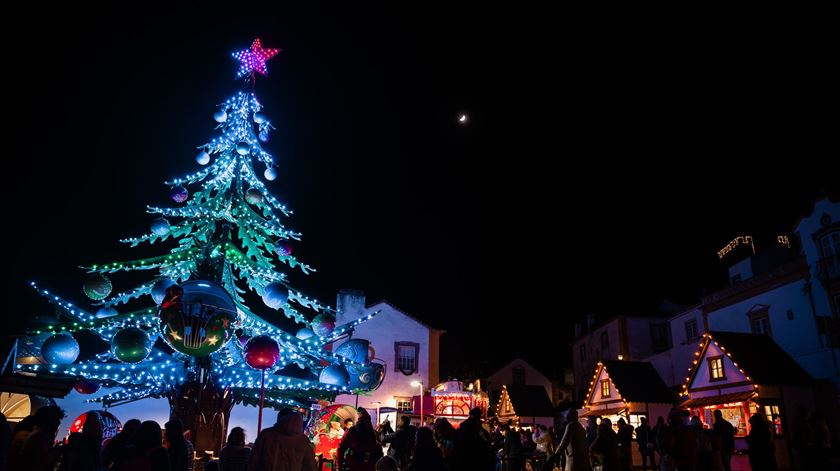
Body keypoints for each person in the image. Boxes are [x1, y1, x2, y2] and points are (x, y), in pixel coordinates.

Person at [249, 408, 316, 471]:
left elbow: (253, 461)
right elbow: (310, 466)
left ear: (279, 419)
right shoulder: (303, 440)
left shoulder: (266, 434)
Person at [16, 405, 65, 471]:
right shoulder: (39, 438)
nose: (58, 423)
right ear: (49, 420)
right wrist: (56, 451)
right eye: (56, 419)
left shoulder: (32, 434)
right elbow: (43, 462)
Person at [790, 406, 813, 471]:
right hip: (804, 444)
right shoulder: (802, 421)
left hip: (801, 444)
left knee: (804, 461)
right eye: (809, 413)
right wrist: (807, 442)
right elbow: (802, 433)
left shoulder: (798, 421)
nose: (810, 415)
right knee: (806, 461)